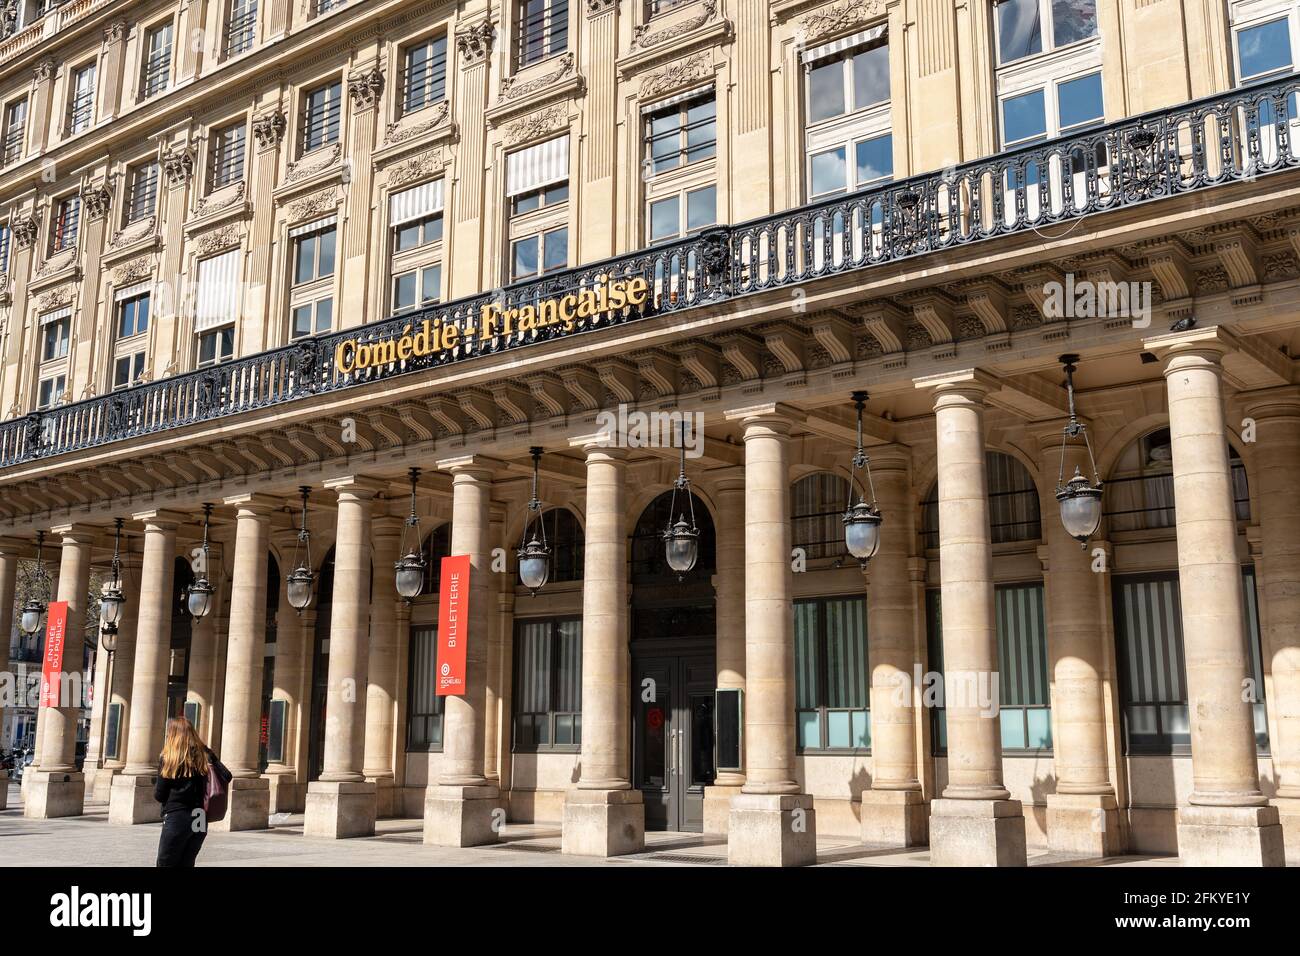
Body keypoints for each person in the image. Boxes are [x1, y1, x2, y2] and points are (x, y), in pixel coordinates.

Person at [153, 717, 216, 868]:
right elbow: (226, 776)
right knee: (188, 861)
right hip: (200, 816)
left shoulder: (169, 759)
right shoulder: (204, 756)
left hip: (177, 816)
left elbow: (159, 795)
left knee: (166, 861)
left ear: (173, 735)